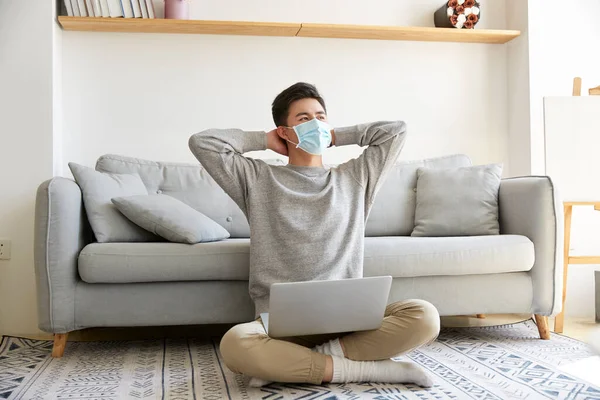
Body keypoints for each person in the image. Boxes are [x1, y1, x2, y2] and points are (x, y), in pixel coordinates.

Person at [188, 82, 440, 387]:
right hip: (279, 327)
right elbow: (203, 143)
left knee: (425, 316)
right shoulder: (256, 178)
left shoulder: (355, 177)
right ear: (284, 131)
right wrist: (265, 140)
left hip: (349, 322)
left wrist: (335, 135)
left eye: (321, 117)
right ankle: (368, 369)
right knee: (235, 343)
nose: (316, 125)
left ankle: (301, 363)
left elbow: (395, 131)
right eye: (304, 120)